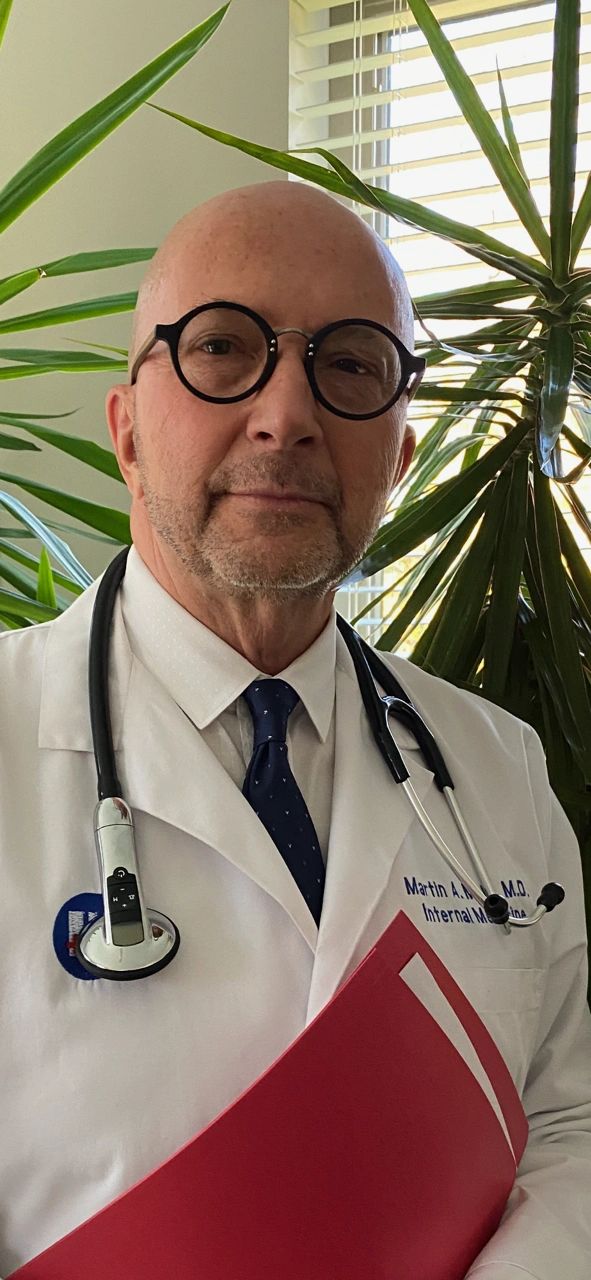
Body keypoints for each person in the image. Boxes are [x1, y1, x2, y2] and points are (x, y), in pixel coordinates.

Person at [0, 179, 589, 1278]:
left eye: (354, 361)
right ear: (127, 431)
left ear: (401, 455)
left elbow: (569, 1123)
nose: (288, 411)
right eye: (224, 347)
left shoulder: (498, 768)